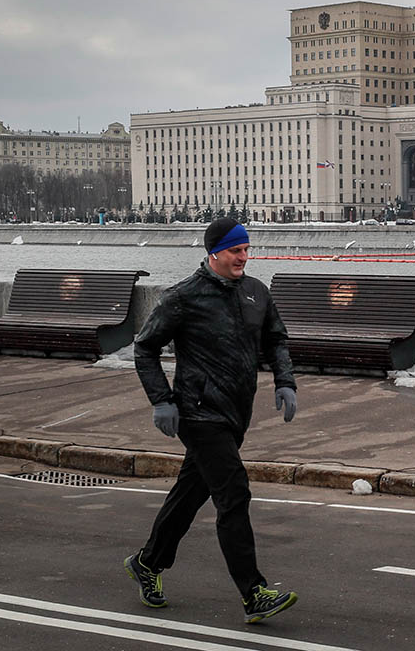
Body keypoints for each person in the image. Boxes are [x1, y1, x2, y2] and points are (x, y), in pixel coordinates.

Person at [125, 217, 299, 624]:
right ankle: (253, 593)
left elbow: (276, 339)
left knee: (191, 492)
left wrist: (285, 381)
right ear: (214, 252)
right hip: (198, 413)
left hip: (237, 412)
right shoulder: (183, 297)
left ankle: (147, 563)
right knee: (234, 494)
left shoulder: (256, 292)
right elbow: (144, 348)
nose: (244, 257)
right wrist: (162, 400)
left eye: (246, 249)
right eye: (236, 250)